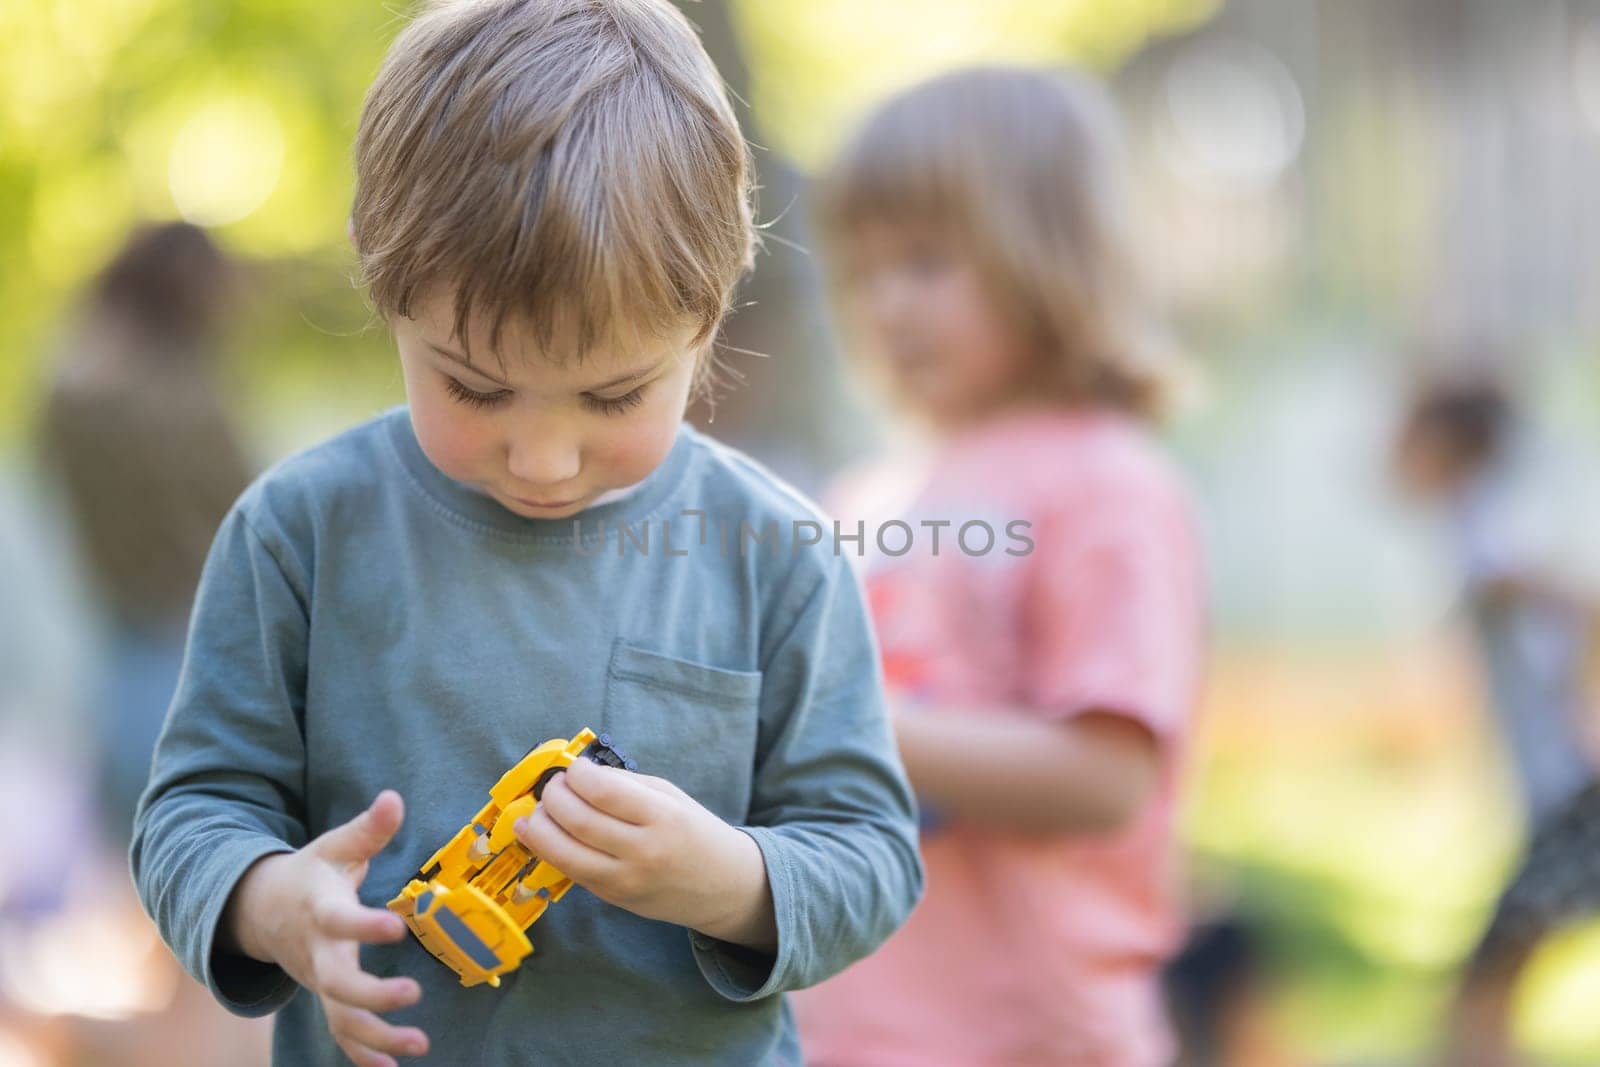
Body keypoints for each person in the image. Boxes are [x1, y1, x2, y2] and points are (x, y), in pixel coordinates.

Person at [128, 3, 924, 1065]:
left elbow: (872, 850)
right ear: (384, 286)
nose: (542, 455)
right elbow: (194, 807)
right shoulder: (301, 532)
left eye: (613, 396)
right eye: (476, 386)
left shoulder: (773, 551)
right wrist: (272, 901)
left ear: (707, 315)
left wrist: (732, 878)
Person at [788, 66, 1206, 1066]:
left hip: (1029, 1031)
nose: (888, 304)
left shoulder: (1104, 481)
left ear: (1048, 253)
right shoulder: (865, 495)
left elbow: (1110, 774)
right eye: (864, 271)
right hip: (850, 1023)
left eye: (926, 263)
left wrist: (850, 724)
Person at [1393, 377, 1600, 1067]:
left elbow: (1581, 602)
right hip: (1564, 793)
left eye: (1409, 432)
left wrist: (1577, 701)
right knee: (1485, 995)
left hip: (1575, 793)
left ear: (1447, 444)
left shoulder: (1484, 523)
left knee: (1479, 1000)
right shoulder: (1476, 521)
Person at [39, 221, 255, 848]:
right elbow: (239, 506)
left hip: (127, 634)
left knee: (141, 835)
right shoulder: (177, 395)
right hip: (189, 636)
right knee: (186, 835)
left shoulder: (73, 376)